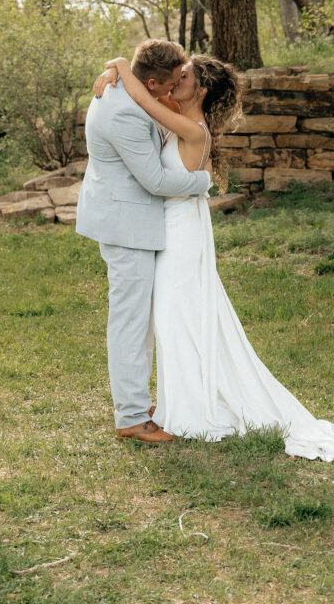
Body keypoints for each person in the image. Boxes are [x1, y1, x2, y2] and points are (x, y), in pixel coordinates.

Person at [96, 53, 334, 462]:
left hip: (180, 237)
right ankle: (173, 401)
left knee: (178, 317)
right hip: (170, 231)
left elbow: (144, 99)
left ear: (200, 90)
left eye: (184, 75)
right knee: (172, 319)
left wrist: (121, 67)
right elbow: (148, 93)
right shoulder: (175, 112)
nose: (175, 79)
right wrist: (116, 73)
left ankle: (191, 407)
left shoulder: (193, 128)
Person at [76, 39, 212, 445]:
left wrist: (116, 65)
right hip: (126, 225)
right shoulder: (123, 113)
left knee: (141, 319)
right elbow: (154, 181)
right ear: (151, 83)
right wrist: (204, 182)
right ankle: (131, 417)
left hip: (131, 220)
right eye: (169, 87)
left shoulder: (126, 89)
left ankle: (137, 401)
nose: (172, 94)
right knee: (130, 322)